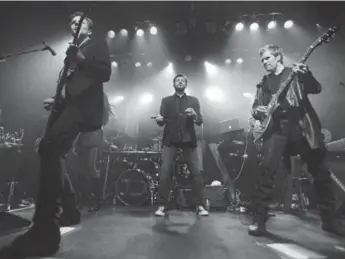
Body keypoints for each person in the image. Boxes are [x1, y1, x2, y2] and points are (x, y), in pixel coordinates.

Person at [0, 11, 111, 257]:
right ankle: (69, 211)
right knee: (49, 149)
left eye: (78, 21)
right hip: (69, 107)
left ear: (88, 28)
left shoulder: (95, 44)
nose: (73, 25)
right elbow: (73, 82)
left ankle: (46, 231)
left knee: (50, 148)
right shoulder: (75, 47)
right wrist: (58, 99)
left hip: (83, 109)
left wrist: (80, 58)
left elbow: (104, 73)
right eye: (70, 22)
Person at [249, 44, 344, 236]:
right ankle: (259, 222)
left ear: (278, 56)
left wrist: (306, 75)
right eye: (262, 60)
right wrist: (257, 111)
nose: (264, 62)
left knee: (321, 174)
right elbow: (256, 107)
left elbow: (316, 88)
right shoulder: (263, 83)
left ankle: (330, 221)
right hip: (276, 129)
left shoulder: (295, 73)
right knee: (266, 173)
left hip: (302, 126)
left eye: (267, 58)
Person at [154, 74, 208, 217]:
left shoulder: (193, 100)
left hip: (188, 139)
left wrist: (194, 115)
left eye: (182, 80)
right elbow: (161, 120)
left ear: (186, 84)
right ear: (173, 83)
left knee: (196, 172)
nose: (180, 82)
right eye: (177, 80)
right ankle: (161, 205)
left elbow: (199, 121)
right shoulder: (166, 101)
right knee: (165, 171)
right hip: (170, 140)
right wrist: (159, 119)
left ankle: (200, 205)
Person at [72, 93, 113, 212]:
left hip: (92, 136)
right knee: (82, 169)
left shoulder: (97, 109)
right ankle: (86, 198)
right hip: (86, 137)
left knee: (90, 167)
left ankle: (97, 198)